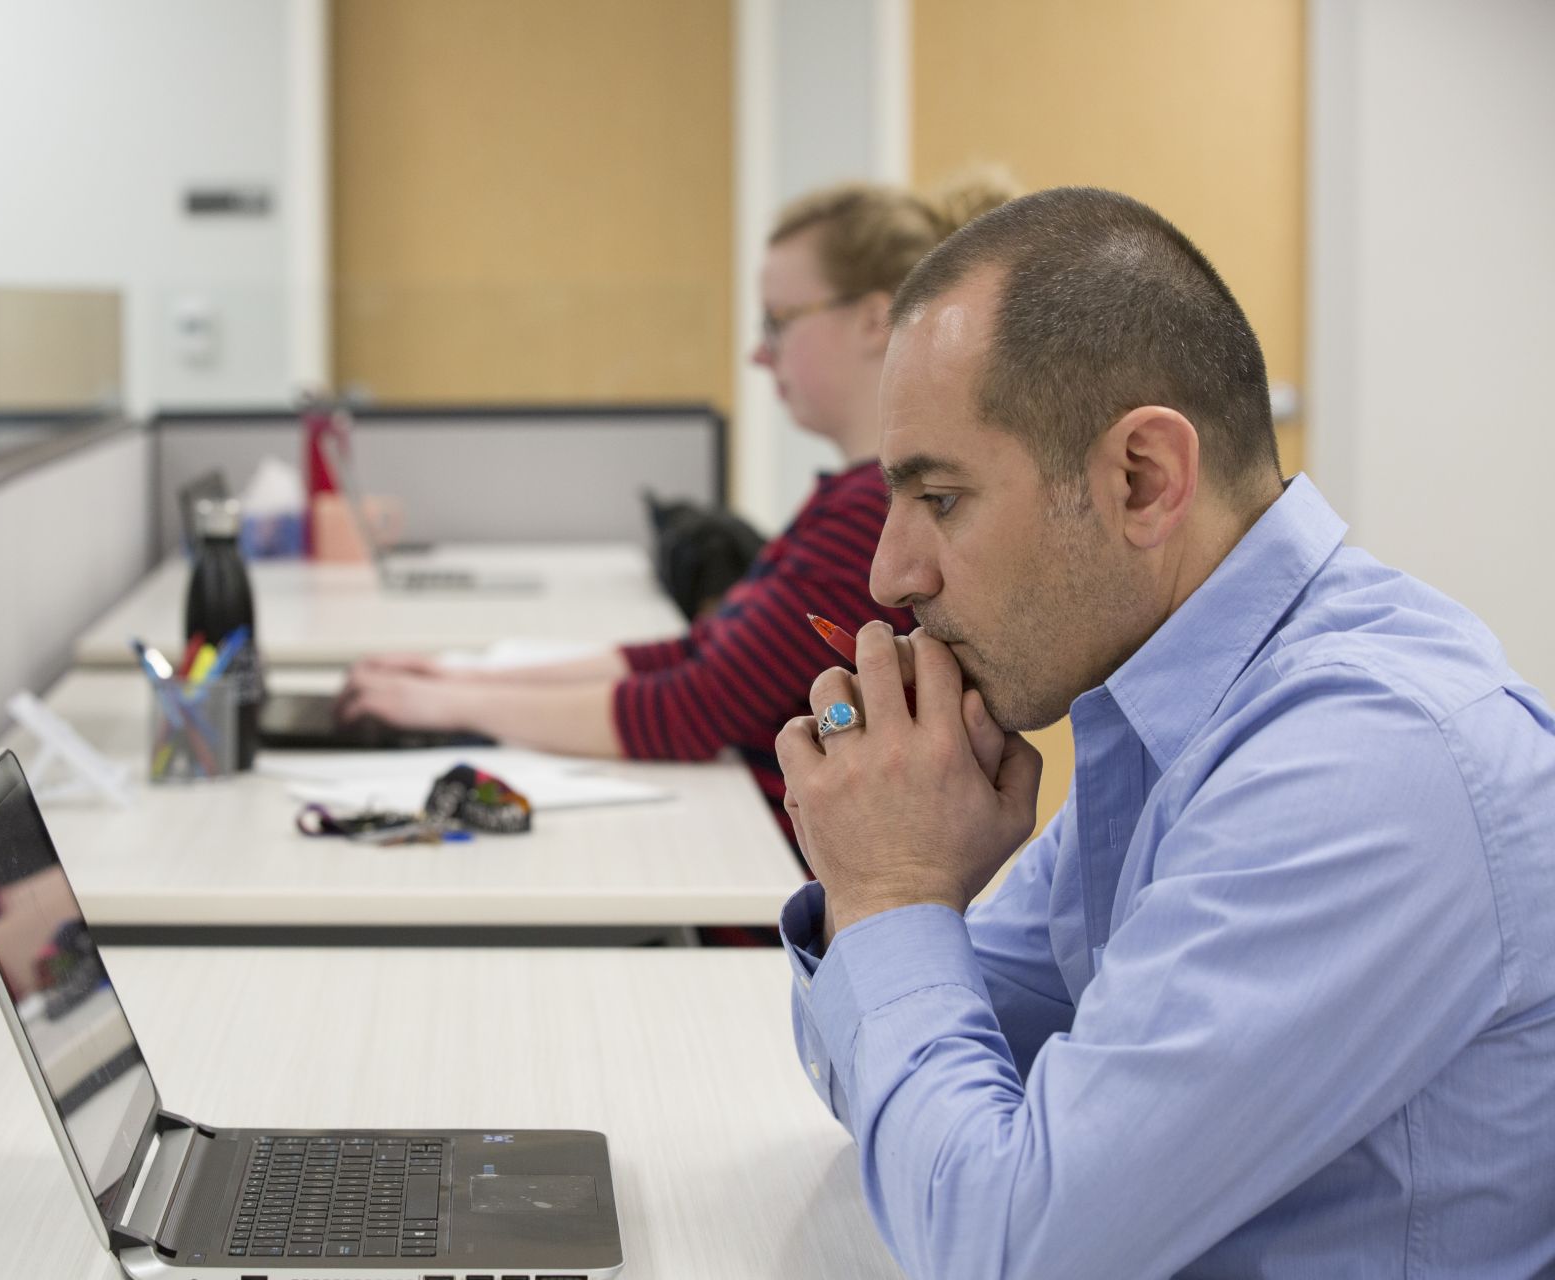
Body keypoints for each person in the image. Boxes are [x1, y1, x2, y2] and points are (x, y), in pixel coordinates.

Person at [776, 186, 1555, 1277]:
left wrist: (892, 893)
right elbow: (883, 1084)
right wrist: (888, 901)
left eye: (939, 496)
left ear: (1142, 480)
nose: (890, 574)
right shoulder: (1164, 705)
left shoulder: (1365, 762)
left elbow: (1001, 1241)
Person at [342, 174, 1016, 840]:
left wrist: (446, 702)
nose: (759, 352)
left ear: (874, 320)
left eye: (778, 321)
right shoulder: (849, 497)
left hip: (791, 877)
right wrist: (463, 680)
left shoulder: (873, 512)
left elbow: (694, 708)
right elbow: (702, 650)